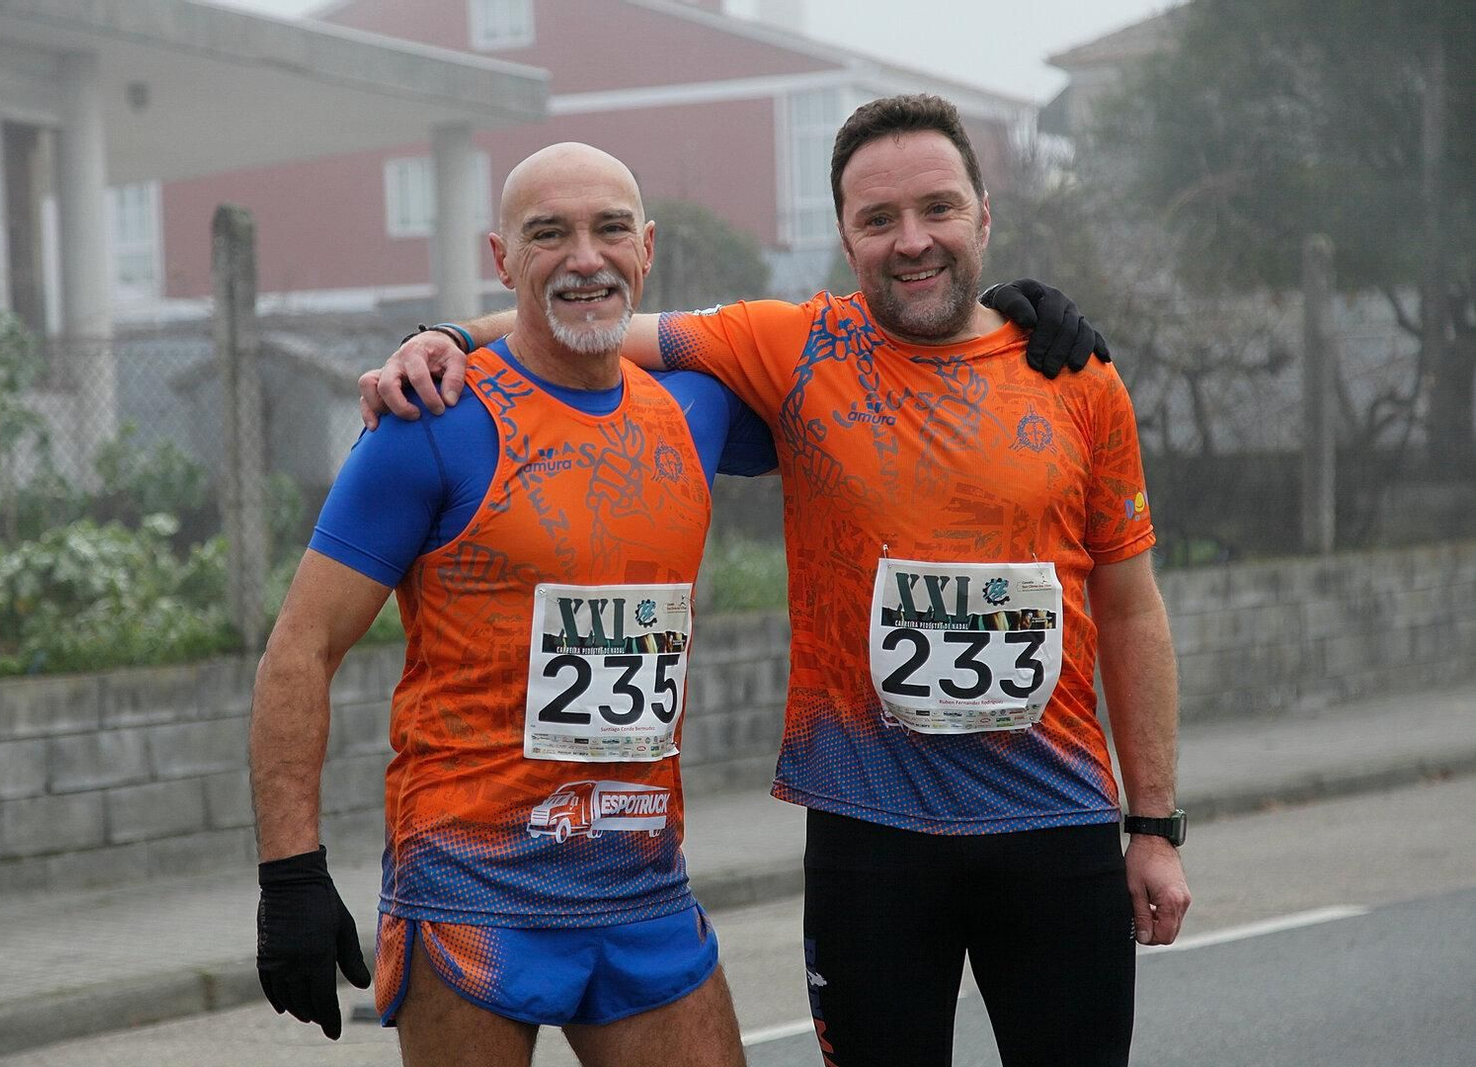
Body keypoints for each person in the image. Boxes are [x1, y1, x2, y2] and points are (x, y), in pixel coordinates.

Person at [360, 94, 1190, 1067]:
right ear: (843, 235)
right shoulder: (795, 344)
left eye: (938, 209)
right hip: (870, 837)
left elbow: (1130, 609)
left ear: (984, 216)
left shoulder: (1078, 377)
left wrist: (1155, 825)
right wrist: (449, 337)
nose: (911, 240)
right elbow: (582, 315)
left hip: (1056, 827)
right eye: (878, 220)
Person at [250, 142, 786, 1067]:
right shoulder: (431, 422)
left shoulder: (696, 409)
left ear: (645, 247)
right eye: (550, 234)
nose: (585, 256)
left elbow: (871, 377)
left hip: (642, 883)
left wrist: (1011, 326)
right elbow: (299, 648)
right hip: (471, 889)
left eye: (609, 229)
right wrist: (290, 874)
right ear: (503, 258)